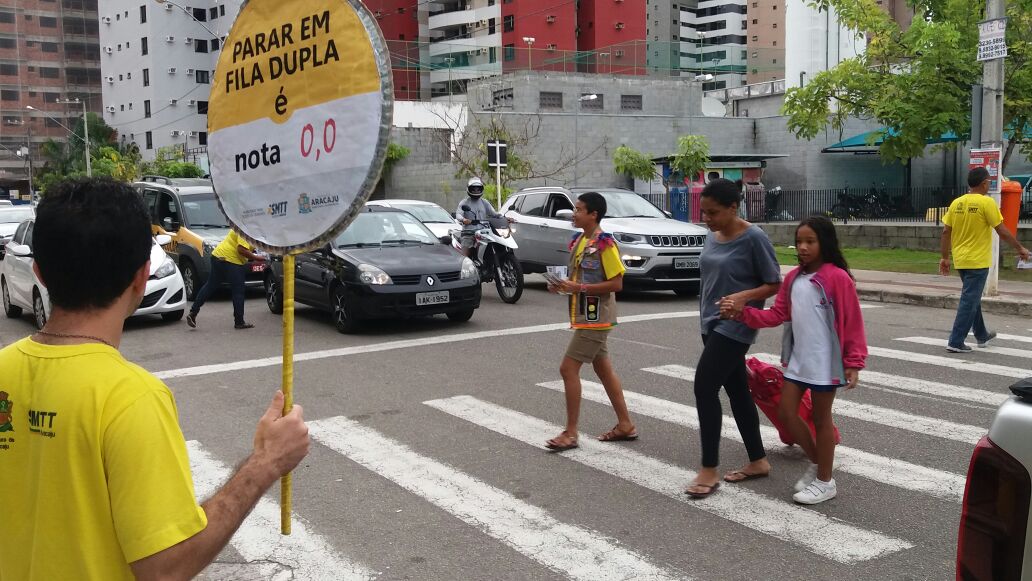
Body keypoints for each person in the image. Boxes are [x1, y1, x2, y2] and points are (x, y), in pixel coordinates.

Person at [0, 178, 310, 580]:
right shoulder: (129, 397)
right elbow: (166, 567)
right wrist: (265, 463)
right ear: (142, 277)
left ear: (38, 271)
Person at [725, 215, 867, 504]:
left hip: (826, 361)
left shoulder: (837, 278)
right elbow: (777, 315)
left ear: (824, 243)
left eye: (810, 241)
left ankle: (826, 481)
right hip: (799, 360)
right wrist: (743, 313)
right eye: (799, 242)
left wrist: (854, 361)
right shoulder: (794, 278)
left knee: (821, 418)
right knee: (788, 413)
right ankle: (819, 463)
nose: (802, 247)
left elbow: (852, 321)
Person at [684, 179, 781, 499]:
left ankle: (708, 470)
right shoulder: (712, 237)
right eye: (703, 212)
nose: (706, 218)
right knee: (738, 390)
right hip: (710, 323)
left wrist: (743, 298)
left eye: (713, 212)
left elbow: (773, 283)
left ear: (733, 208)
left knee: (704, 387)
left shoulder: (754, 237)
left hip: (736, 326)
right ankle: (758, 460)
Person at [545, 192, 636, 451]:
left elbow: (617, 283)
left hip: (595, 318)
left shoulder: (605, 243)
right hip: (586, 314)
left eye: (579, 209)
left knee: (567, 369)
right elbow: (577, 281)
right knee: (603, 370)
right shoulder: (579, 241)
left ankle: (571, 432)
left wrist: (577, 287)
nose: (574, 213)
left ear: (593, 214)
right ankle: (625, 424)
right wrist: (562, 286)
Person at [940, 167, 1031, 353]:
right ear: (983, 183)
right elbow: (1002, 230)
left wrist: (945, 258)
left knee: (972, 298)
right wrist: (1020, 248)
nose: (989, 184)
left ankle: (981, 335)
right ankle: (956, 341)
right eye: (989, 181)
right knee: (969, 300)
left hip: (961, 260)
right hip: (978, 261)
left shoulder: (956, 203)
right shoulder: (986, 203)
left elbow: (945, 231)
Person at [186, 228, 266, 329]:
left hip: (218, 256)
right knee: (238, 291)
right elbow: (241, 249)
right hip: (231, 260)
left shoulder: (242, 224)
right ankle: (239, 322)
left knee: (210, 285)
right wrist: (257, 258)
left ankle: (193, 312)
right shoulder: (247, 229)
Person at [455, 176, 509, 258]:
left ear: (481, 189)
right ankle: (465, 267)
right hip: (469, 233)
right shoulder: (464, 202)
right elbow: (458, 214)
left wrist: (504, 218)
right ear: (469, 189)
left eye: (478, 188)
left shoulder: (484, 202)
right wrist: (464, 219)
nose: (476, 190)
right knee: (464, 256)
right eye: (473, 188)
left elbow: (494, 214)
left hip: (484, 233)